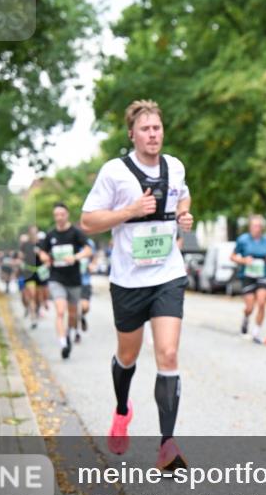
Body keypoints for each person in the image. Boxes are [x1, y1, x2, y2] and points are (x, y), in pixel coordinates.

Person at [81, 99, 194, 471]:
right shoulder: (115, 172)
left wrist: (183, 214)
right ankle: (121, 409)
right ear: (132, 134)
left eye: (157, 128)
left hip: (167, 274)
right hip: (128, 280)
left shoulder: (174, 167)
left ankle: (167, 445)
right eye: (145, 129)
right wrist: (129, 211)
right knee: (128, 355)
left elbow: (183, 193)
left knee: (168, 354)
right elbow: (88, 221)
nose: (153, 135)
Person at [38, 203, 93, 359]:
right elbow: (42, 251)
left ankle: (69, 333)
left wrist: (75, 257)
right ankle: (63, 343)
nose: (59, 217)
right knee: (60, 311)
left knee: (73, 314)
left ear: (67, 214)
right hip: (56, 278)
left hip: (74, 279)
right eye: (56, 215)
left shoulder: (75, 233)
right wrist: (45, 258)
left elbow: (88, 250)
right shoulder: (51, 235)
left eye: (62, 214)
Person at [231, 215, 266, 344]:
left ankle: (256, 332)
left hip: (264, 274)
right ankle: (246, 318)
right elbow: (233, 256)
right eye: (254, 226)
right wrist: (243, 260)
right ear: (250, 227)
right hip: (248, 275)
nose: (256, 228)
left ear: (261, 227)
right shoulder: (243, 240)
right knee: (250, 306)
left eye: (258, 226)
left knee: (262, 302)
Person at [79, 237, 96, 332]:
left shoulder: (90, 242)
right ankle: (74, 333)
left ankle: (81, 316)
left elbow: (94, 257)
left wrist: (92, 265)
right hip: (71, 281)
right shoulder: (70, 241)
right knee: (72, 310)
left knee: (85, 307)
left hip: (85, 281)